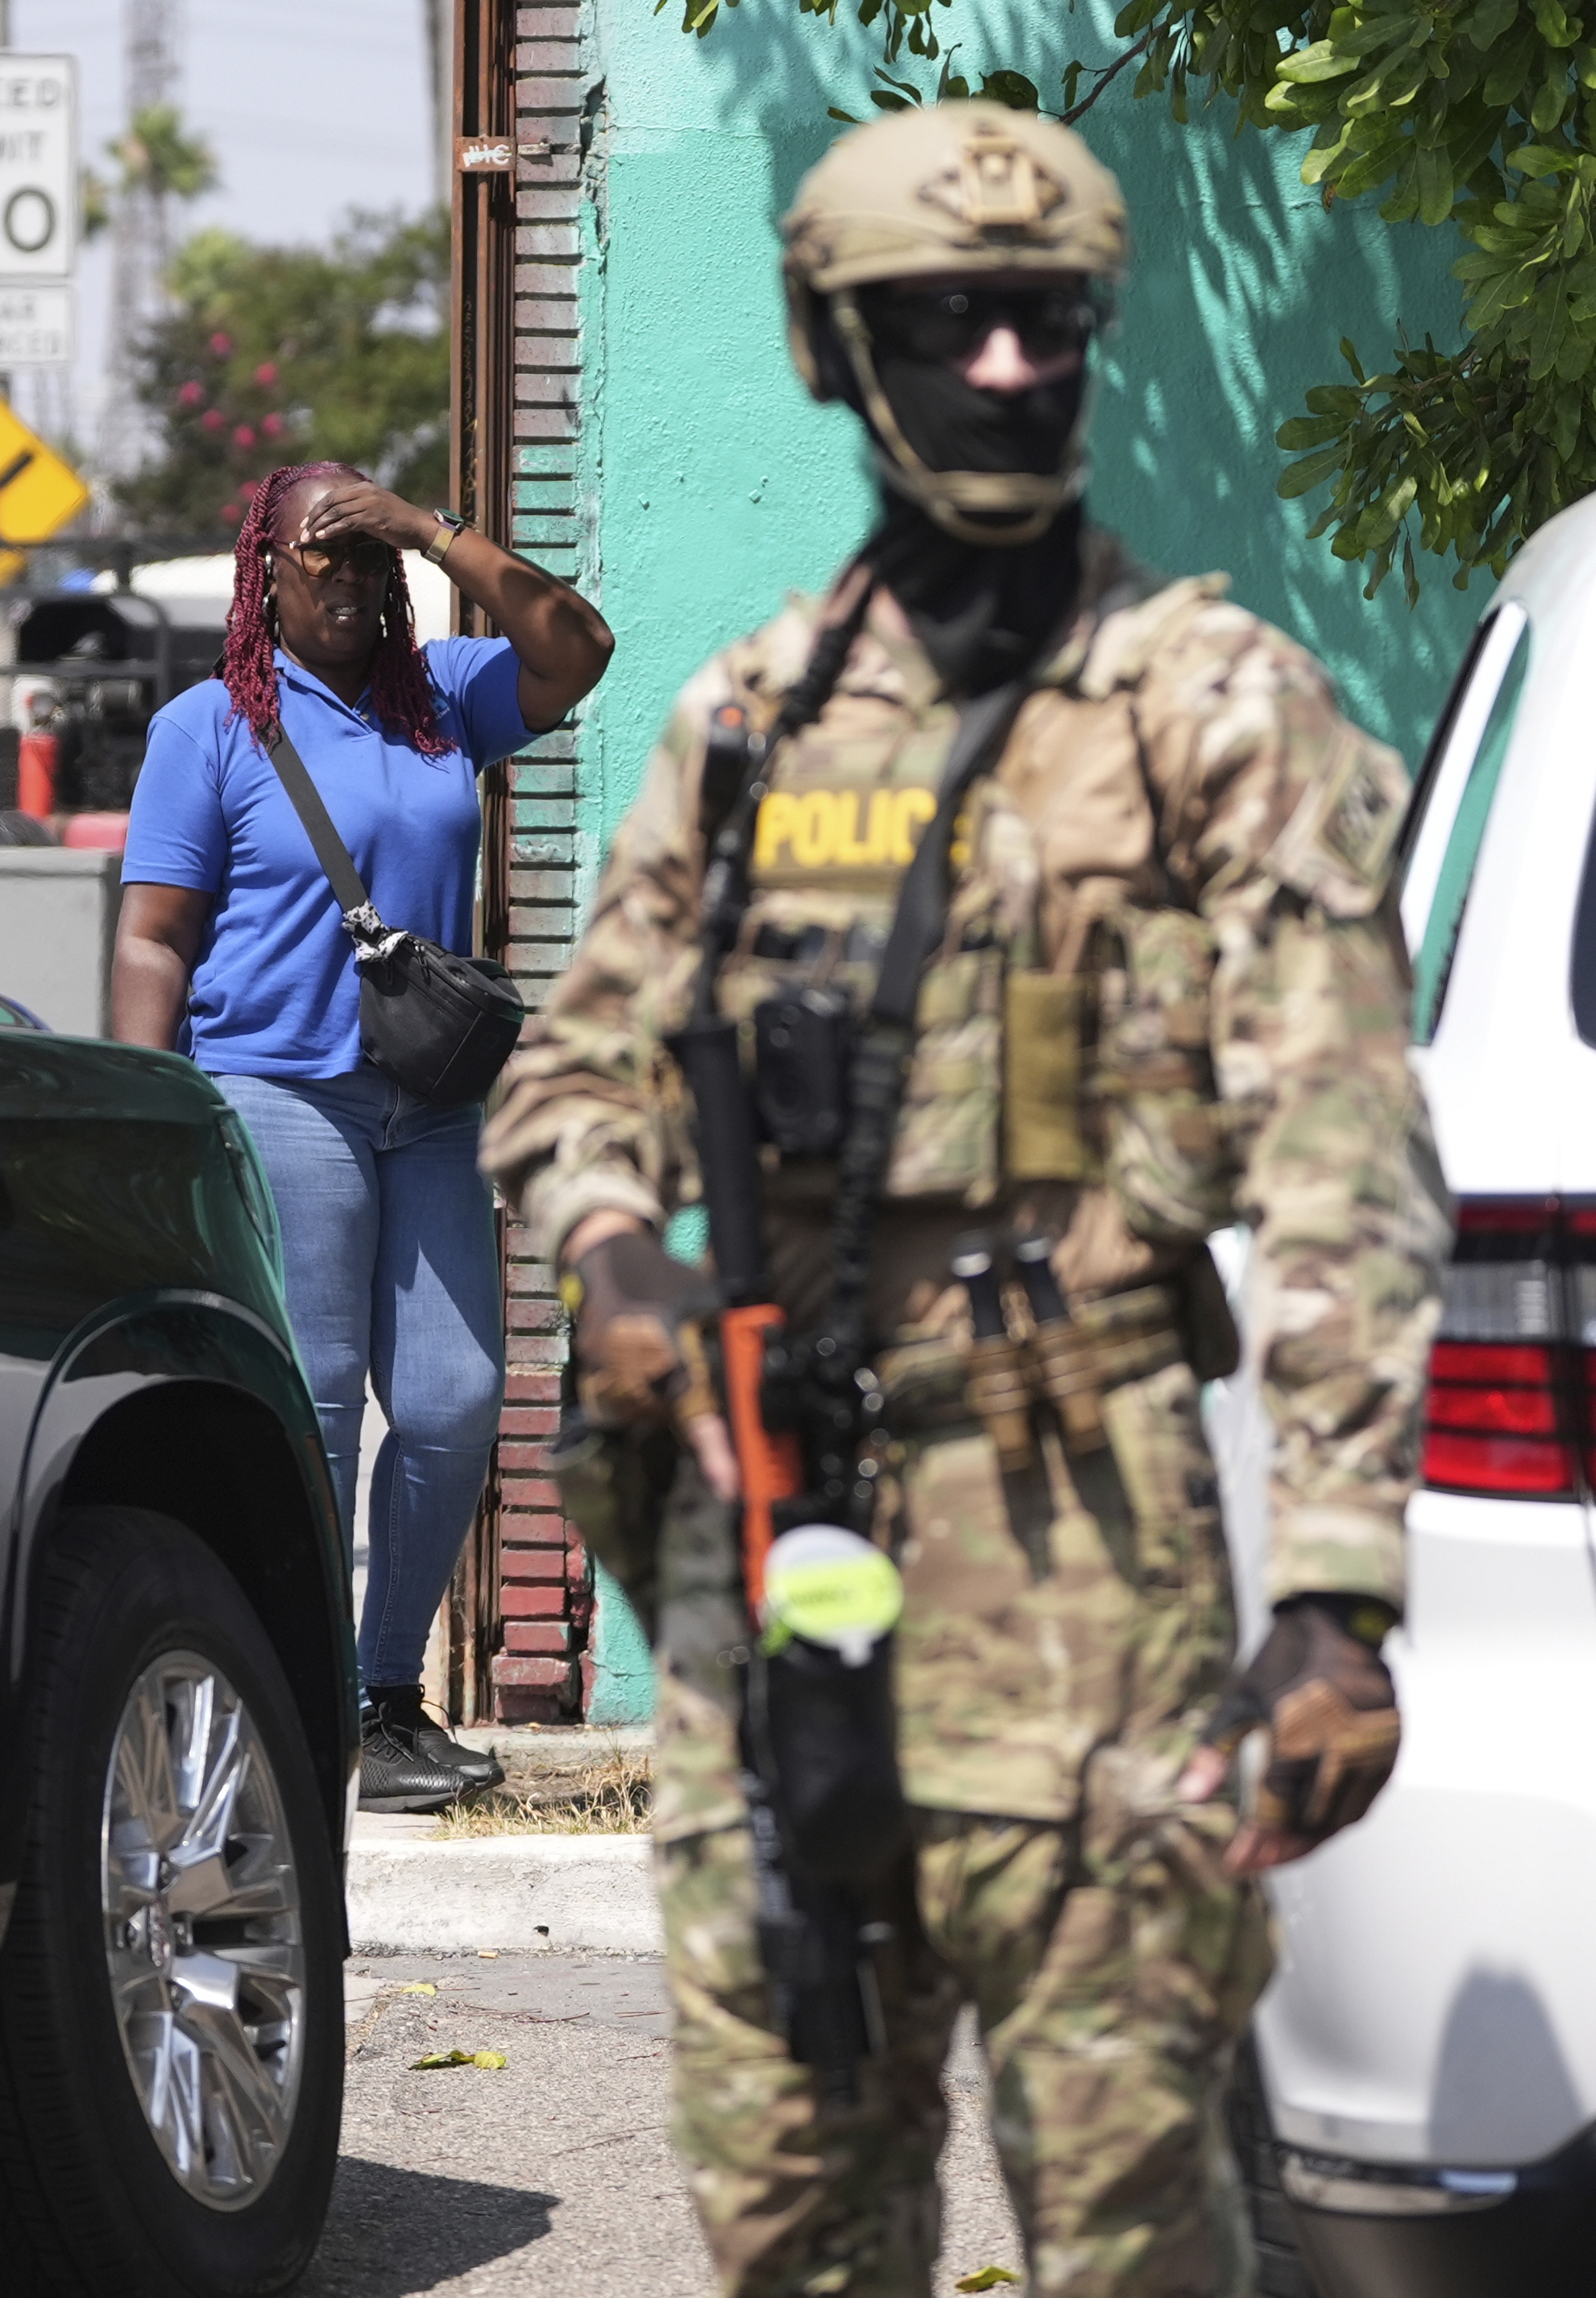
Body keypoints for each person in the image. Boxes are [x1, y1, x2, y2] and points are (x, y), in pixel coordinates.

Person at [481, 102, 1448, 2293]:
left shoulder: (1213, 708)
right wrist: (612, 1241)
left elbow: (1340, 1156)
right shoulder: (747, 727)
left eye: (1044, 322)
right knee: (793, 2215)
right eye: (943, 322)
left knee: (1128, 2223)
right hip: (771, 1544)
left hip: (1086, 1566)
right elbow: (571, 1064)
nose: (1003, 367)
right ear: (839, 353)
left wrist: (1337, 1583)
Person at [113, 460, 614, 1811]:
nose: (343, 582)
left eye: (363, 560)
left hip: (431, 1102)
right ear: (262, 577)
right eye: (316, 558)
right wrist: (148, 1118)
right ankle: (299, 1699)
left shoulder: (446, 699)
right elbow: (154, 939)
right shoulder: (211, 727)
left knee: (453, 1403)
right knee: (320, 1407)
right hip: (279, 1089)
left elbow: (581, 647)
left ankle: (388, 1702)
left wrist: (421, 527)